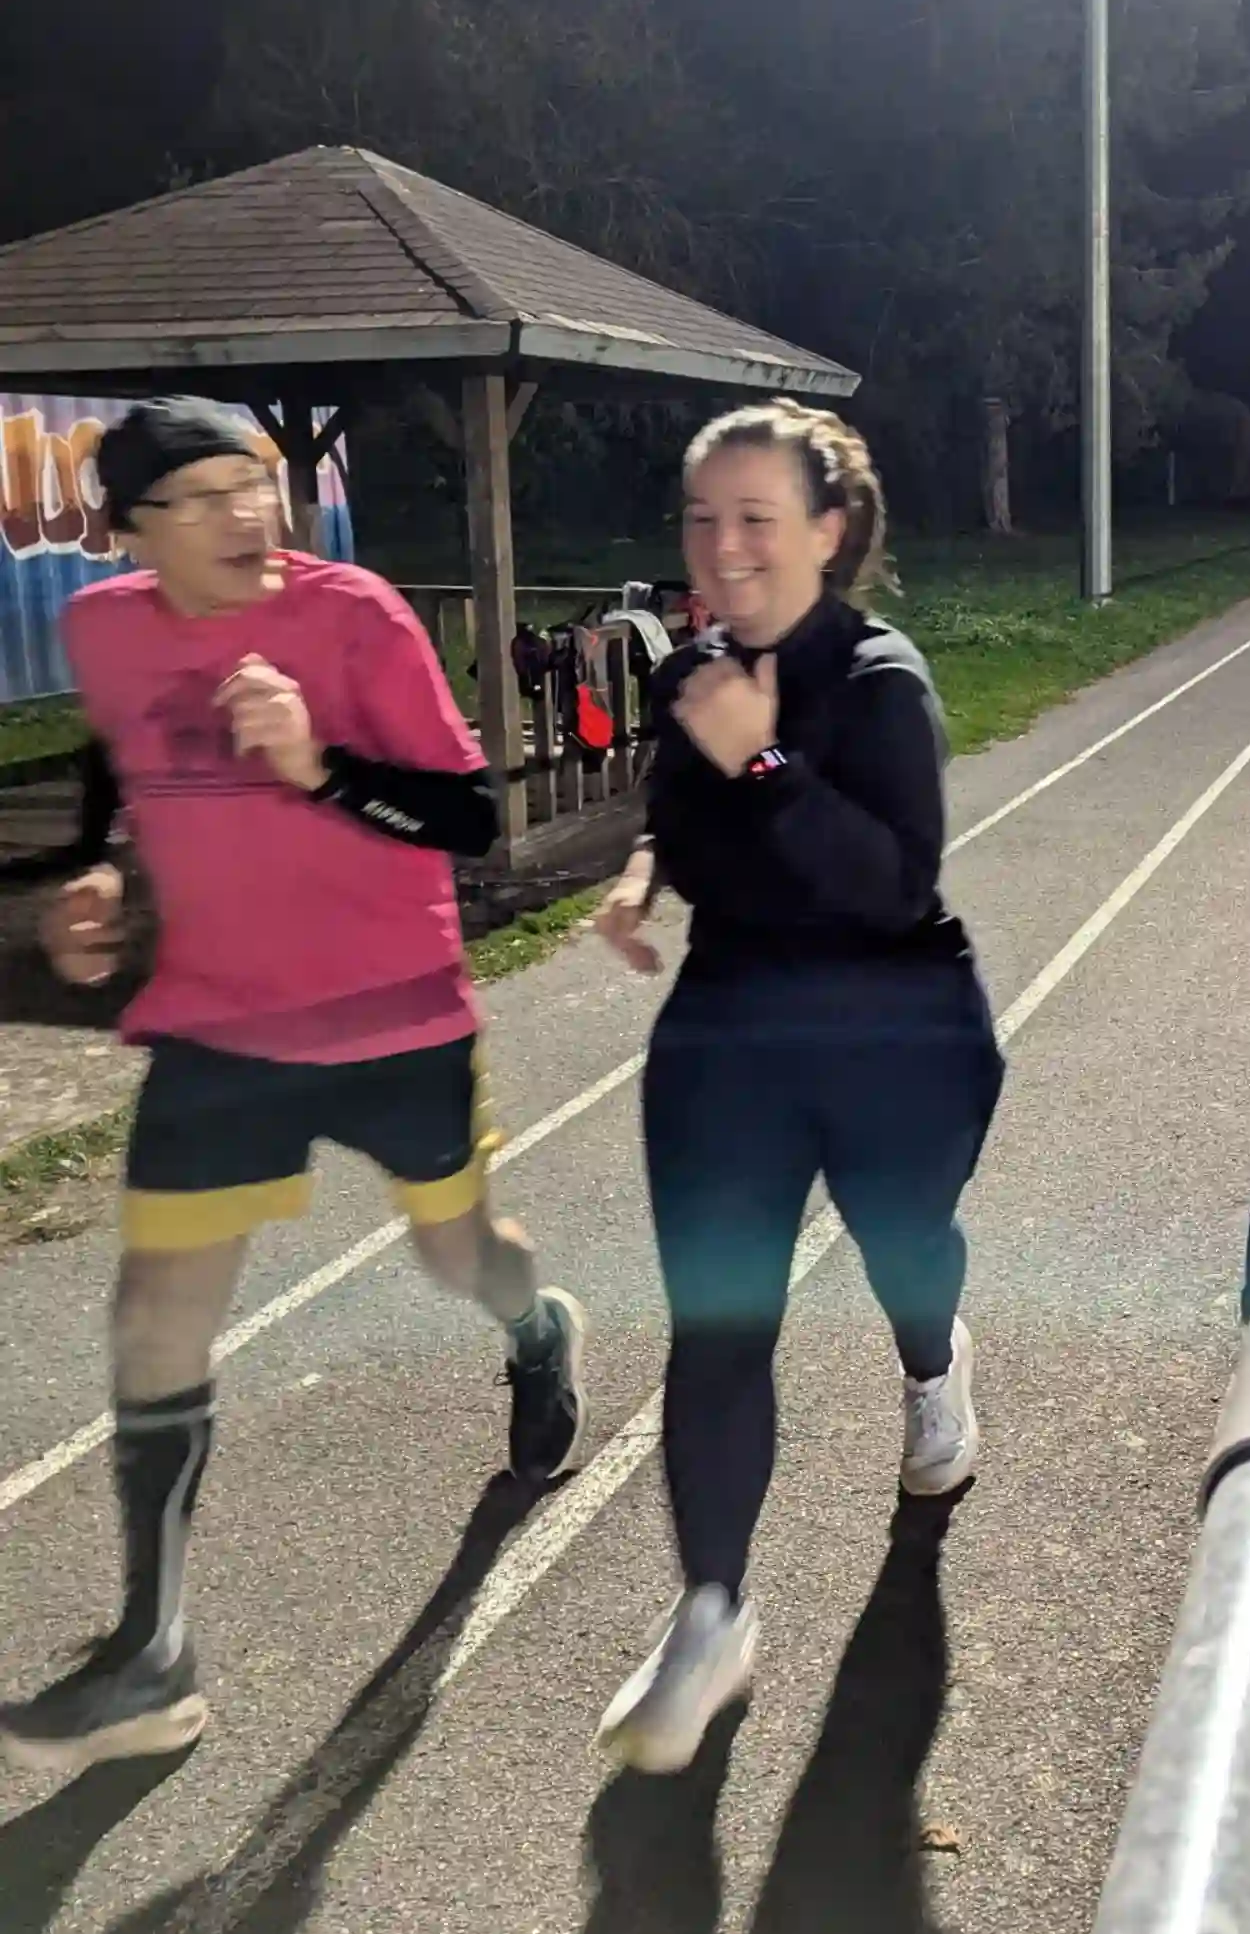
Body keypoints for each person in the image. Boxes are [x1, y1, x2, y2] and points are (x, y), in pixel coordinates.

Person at [0, 399, 585, 1777]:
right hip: (218, 1028)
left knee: (462, 1256)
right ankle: (153, 1653)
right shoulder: (105, 630)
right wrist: (97, 881)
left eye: (254, 485)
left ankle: (535, 1325)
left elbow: (468, 816)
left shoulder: (356, 617)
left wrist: (317, 767)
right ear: (131, 533)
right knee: (154, 1315)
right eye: (203, 498)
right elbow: (124, 774)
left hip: (395, 1013)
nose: (247, 516)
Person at [593, 398, 1002, 1774]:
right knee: (718, 1327)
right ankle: (710, 1615)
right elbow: (676, 805)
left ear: (829, 530)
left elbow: (892, 880)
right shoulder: (695, 672)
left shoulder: (882, 681)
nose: (725, 547)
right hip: (731, 1030)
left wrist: (762, 761)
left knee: (905, 1250)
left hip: (892, 1025)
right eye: (701, 519)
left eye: (756, 519)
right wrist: (644, 874)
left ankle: (935, 1365)